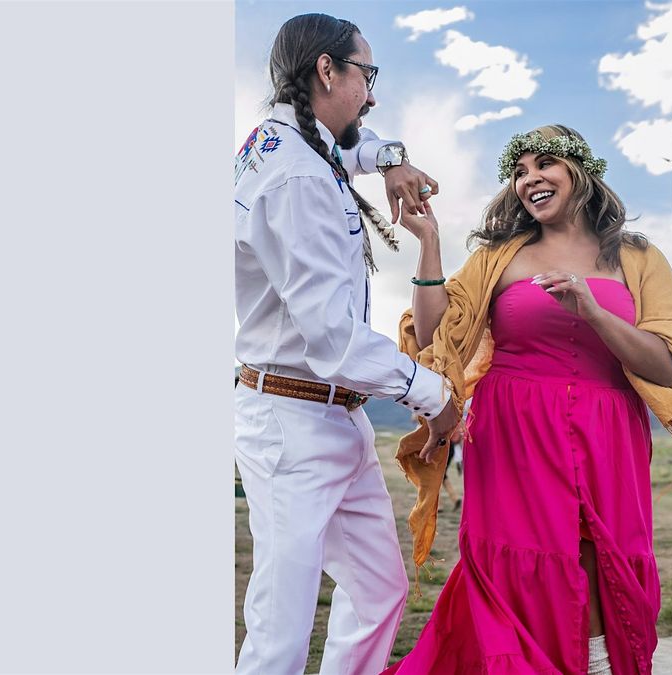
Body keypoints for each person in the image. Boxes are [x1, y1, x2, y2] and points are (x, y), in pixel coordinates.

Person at [383, 125, 672, 674]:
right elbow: (434, 339)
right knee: (517, 563)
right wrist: (428, 242)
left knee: (603, 555)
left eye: (544, 164)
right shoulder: (499, 257)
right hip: (513, 430)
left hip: (609, 429)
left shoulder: (638, 257)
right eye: (519, 172)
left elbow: (668, 364)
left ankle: (598, 665)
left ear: (580, 171)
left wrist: (592, 312)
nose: (530, 179)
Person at [233, 13, 461, 675]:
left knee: (378, 591)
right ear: (326, 70)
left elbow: (356, 147)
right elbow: (334, 339)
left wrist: (390, 159)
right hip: (293, 420)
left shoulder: (288, 143)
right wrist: (432, 394)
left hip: (335, 416)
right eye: (367, 73)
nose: (373, 94)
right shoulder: (298, 179)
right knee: (280, 632)